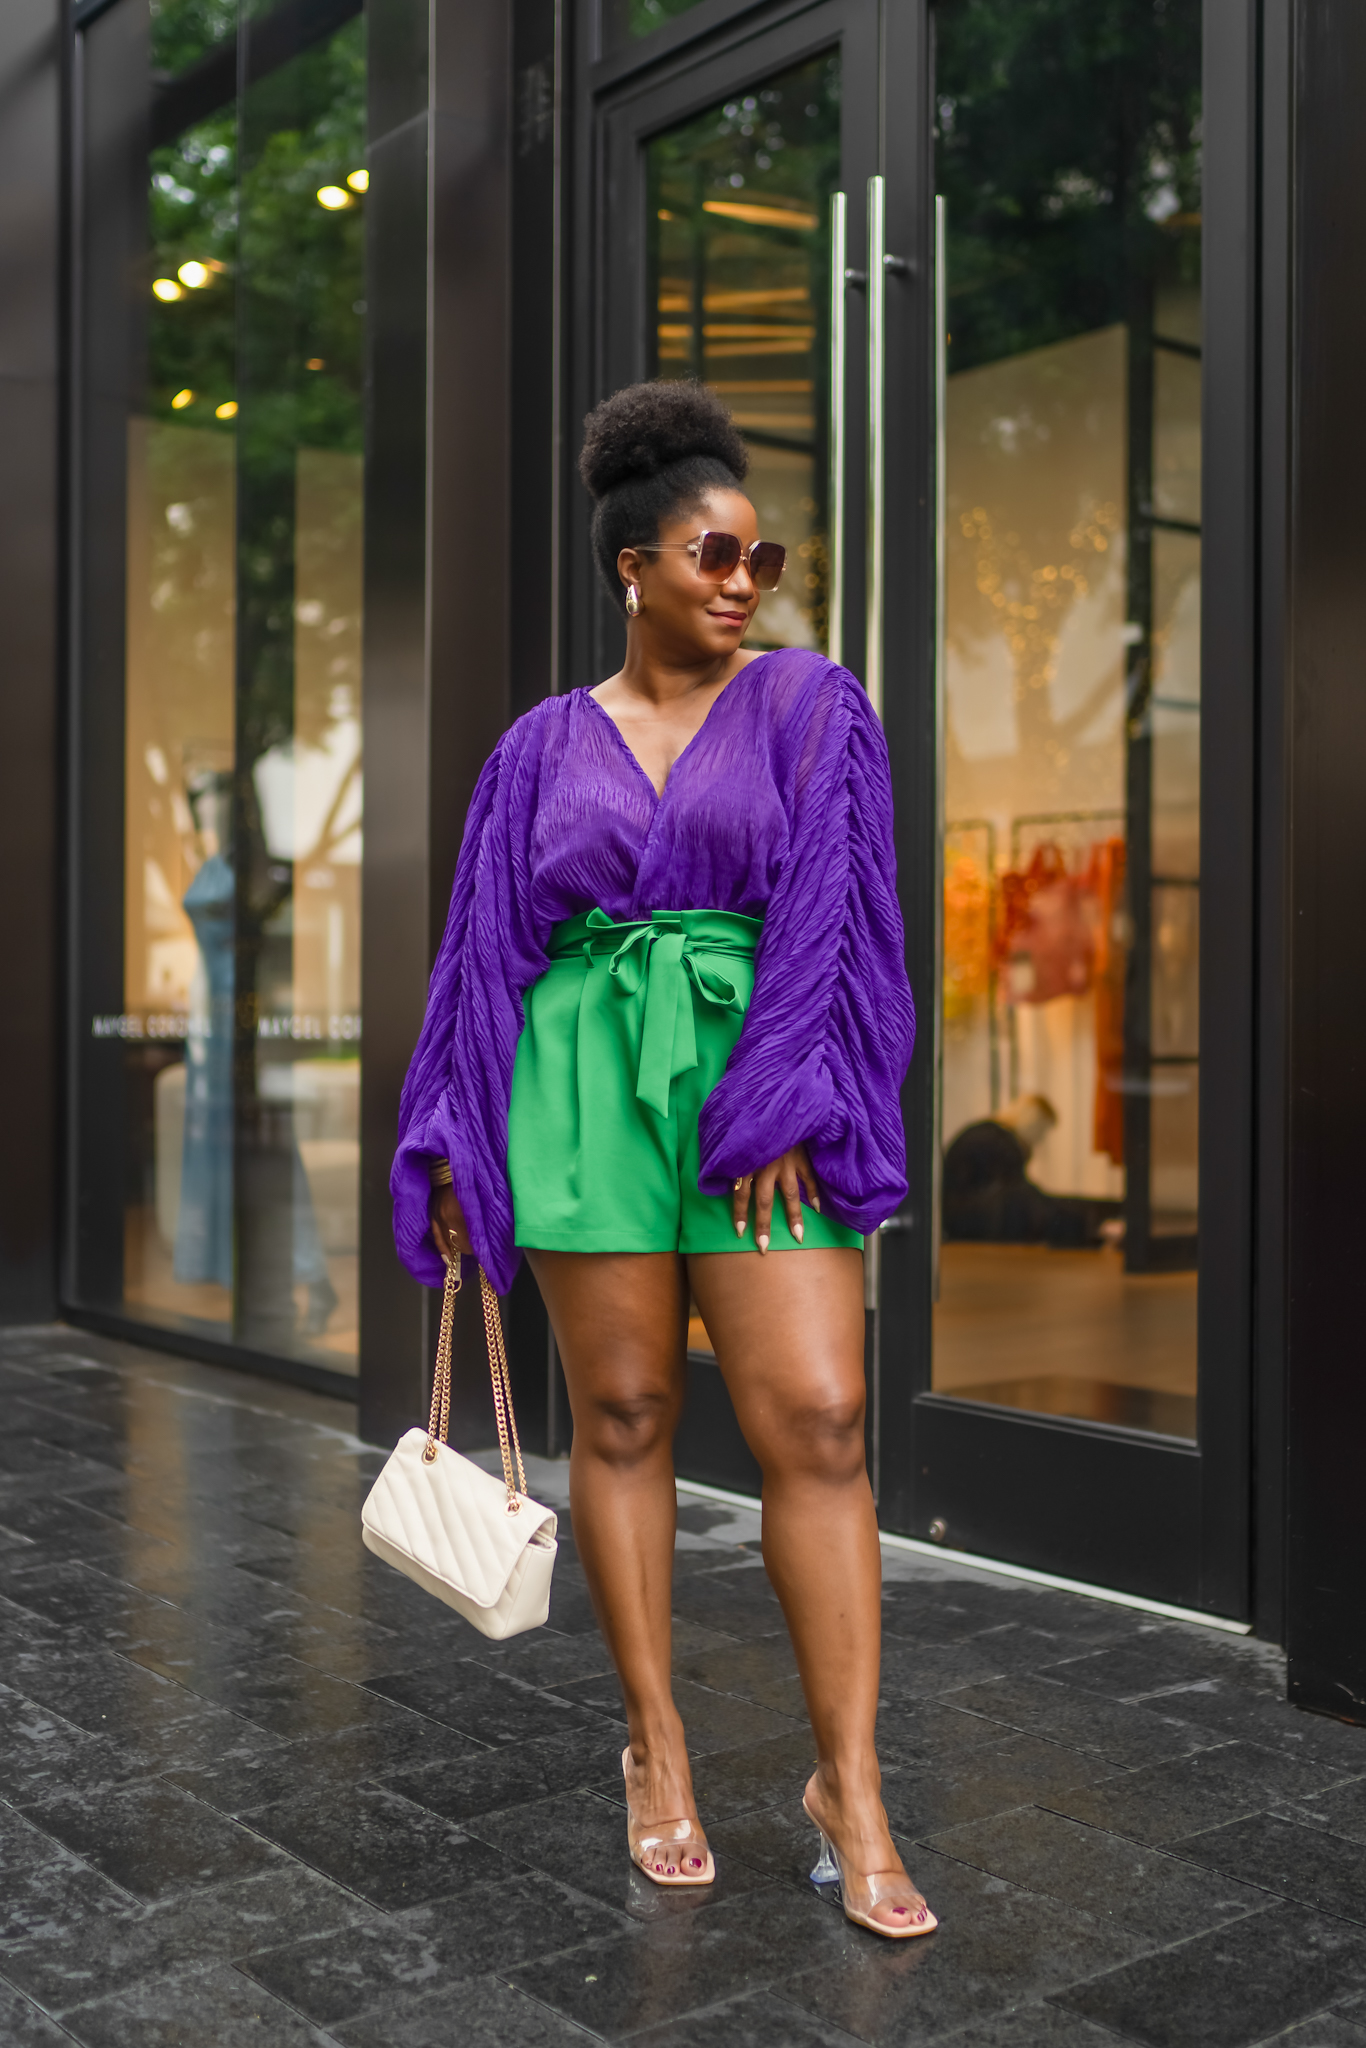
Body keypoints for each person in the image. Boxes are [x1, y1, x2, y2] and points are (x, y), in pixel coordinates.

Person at [391, 381, 934, 1939]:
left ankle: (851, 1783)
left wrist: (780, 1099)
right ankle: (657, 1745)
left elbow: (842, 921)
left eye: (759, 562)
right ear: (630, 564)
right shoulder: (537, 748)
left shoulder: (813, 705)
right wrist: (448, 1134)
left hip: (758, 1092)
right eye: (714, 556)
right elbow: (481, 958)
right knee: (622, 1415)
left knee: (818, 1419)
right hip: (578, 1093)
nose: (742, 585)